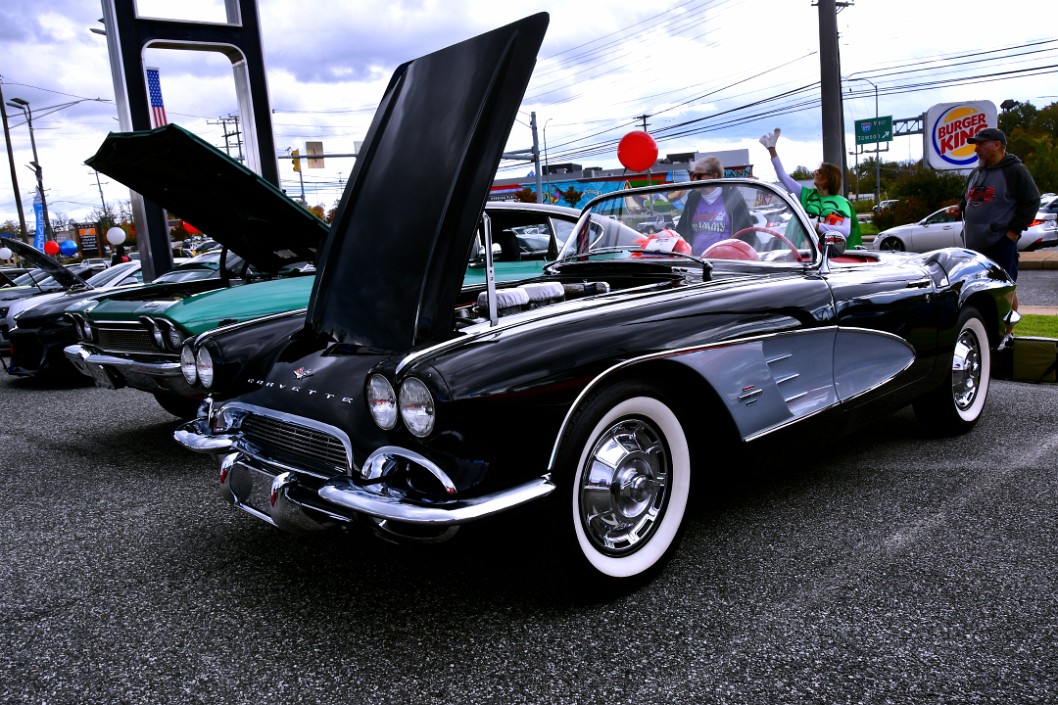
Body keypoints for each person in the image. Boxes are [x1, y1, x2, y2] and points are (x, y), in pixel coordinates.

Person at [947, 126, 1040, 347]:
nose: (976, 148)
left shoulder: (1014, 171)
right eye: (976, 144)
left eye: (981, 144)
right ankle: (987, 333)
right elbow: (967, 199)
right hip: (974, 246)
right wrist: (959, 208)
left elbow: (1032, 201)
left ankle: (1007, 334)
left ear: (997, 145)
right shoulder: (976, 173)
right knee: (979, 291)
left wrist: (1012, 232)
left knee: (1004, 290)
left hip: (1000, 244)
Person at [759, 128, 861, 248]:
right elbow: (783, 177)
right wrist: (772, 150)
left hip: (831, 256)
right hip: (804, 254)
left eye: (821, 172)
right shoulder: (805, 194)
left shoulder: (842, 203)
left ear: (830, 178)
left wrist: (817, 226)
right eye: (817, 170)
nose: (816, 172)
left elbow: (845, 231)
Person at [674, 155, 753, 255]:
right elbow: (681, 231)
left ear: (714, 176)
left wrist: (739, 258)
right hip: (697, 263)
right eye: (693, 175)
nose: (694, 180)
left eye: (698, 176)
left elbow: (748, 233)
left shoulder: (733, 197)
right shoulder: (692, 199)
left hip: (726, 263)